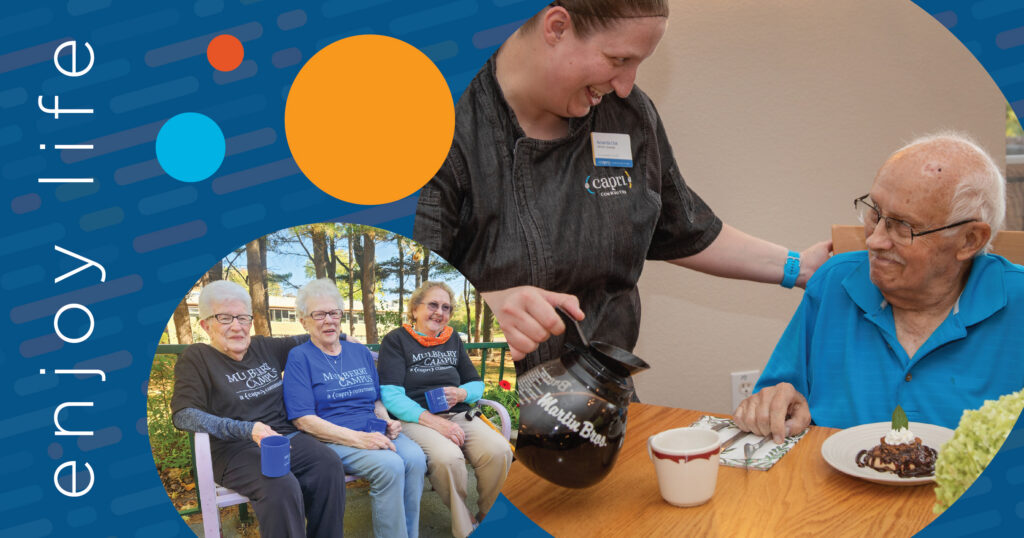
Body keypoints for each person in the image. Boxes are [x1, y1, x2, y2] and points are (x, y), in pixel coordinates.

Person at [413, 0, 832, 375]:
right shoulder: (437, 122)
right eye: (618, 59)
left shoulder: (628, 117)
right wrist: (481, 312)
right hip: (475, 406)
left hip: (596, 397)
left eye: (638, 64)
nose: (626, 84)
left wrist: (800, 268)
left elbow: (683, 227)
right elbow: (385, 301)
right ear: (556, 27)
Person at [733, 132, 1024, 441]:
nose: (874, 240)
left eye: (903, 226)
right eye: (875, 213)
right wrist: (773, 404)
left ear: (969, 240)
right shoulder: (835, 282)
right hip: (835, 488)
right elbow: (777, 397)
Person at [170, 280, 345, 538]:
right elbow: (183, 414)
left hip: (285, 438)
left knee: (329, 465)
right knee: (280, 485)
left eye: (243, 318)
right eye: (225, 318)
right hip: (233, 450)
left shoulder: (264, 347)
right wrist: (246, 429)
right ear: (206, 325)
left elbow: (305, 337)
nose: (237, 326)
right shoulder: (196, 358)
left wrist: (342, 336)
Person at [283, 279, 427, 538]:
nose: (329, 320)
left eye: (334, 312)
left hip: (371, 430)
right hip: (332, 437)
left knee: (415, 458)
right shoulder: (299, 357)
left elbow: (375, 400)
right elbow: (303, 420)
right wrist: (360, 439)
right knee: (389, 466)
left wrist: (386, 422)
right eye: (319, 314)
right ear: (304, 321)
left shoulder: (358, 352)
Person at [378, 281, 514, 538]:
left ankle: (488, 516)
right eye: (432, 305)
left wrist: (462, 393)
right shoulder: (396, 341)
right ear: (415, 308)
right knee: (448, 458)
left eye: (446, 307)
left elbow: (476, 383)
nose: (439, 312)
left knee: (499, 450)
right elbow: (391, 396)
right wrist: (435, 422)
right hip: (415, 419)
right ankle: (465, 526)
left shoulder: (452, 339)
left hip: (459, 414)